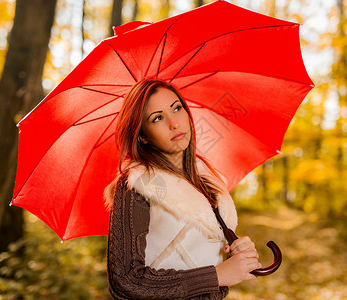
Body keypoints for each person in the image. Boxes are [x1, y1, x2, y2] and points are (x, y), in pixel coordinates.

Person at [104, 78, 261, 299]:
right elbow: (126, 281)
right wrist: (217, 275)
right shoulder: (137, 185)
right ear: (142, 136)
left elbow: (197, 257)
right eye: (157, 118)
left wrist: (236, 254)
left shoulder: (205, 178)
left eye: (177, 108)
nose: (174, 123)